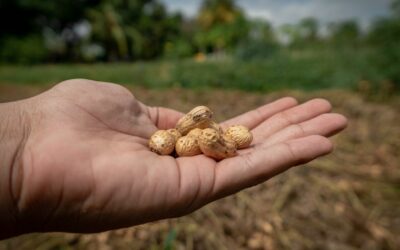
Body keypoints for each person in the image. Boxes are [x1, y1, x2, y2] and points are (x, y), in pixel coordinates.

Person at [0, 79, 347, 240]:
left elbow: (210, 136)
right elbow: (192, 136)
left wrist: (22, 150)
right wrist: (24, 139)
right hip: (188, 139)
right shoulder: (185, 134)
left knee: (214, 135)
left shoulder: (200, 133)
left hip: (197, 139)